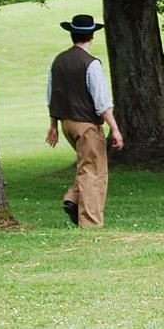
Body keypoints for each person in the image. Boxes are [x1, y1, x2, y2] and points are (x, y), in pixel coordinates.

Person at [46, 14, 125, 226]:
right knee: (94, 171)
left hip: (66, 124)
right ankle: (90, 222)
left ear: (72, 35)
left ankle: (73, 198)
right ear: (92, 36)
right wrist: (115, 129)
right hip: (87, 125)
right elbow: (101, 102)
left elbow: (52, 94)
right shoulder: (91, 64)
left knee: (87, 165)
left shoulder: (58, 61)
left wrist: (53, 125)